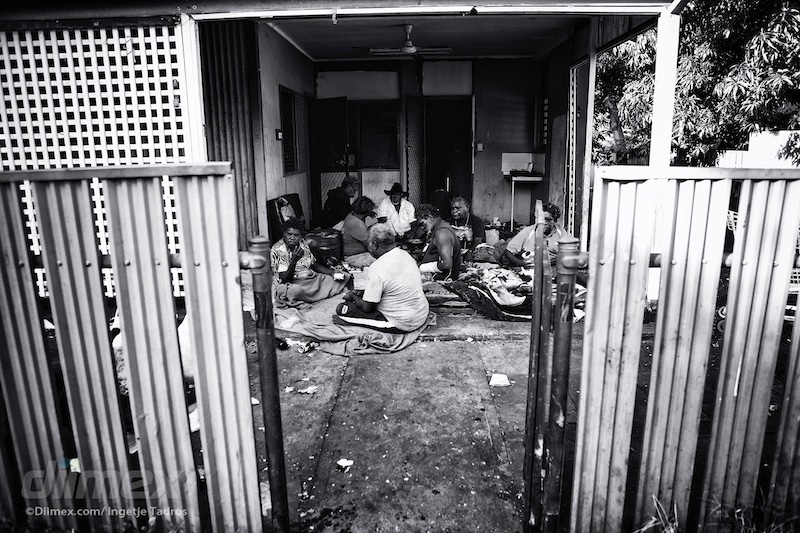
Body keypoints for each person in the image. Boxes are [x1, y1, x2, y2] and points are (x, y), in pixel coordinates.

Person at [335, 223, 429, 332]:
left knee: (343, 309)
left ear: (374, 244)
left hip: (404, 322)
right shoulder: (406, 255)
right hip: (421, 313)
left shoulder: (377, 267)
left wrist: (352, 296)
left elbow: (367, 308)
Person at [271, 217, 351, 306]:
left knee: (342, 276)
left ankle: (312, 295)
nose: (292, 238)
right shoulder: (279, 249)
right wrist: (294, 260)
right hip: (293, 282)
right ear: (284, 234)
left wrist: (332, 272)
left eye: (296, 235)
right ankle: (314, 295)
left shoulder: (303, 243)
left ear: (300, 236)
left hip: (309, 279)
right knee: (292, 291)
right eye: (289, 234)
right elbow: (284, 279)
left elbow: (314, 265)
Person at [503, 202, 572, 267]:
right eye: (541, 219)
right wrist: (520, 263)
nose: (544, 223)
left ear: (555, 220)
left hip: (554, 266)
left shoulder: (560, 231)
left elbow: (568, 254)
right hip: (532, 267)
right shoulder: (528, 231)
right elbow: (508, 251)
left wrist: (547, 263)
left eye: (549, 219)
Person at [416, 203, 461, 281]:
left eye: (422, 224)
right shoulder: (437, 229)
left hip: (442, 282)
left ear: (430, 218)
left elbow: (446, 264)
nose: (422, 228)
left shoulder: (442, 232)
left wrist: (423, 267)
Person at [341, 195, 378, 268]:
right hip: (355, 258)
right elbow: (370, 247)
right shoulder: (357, 224)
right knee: (384, 261)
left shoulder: (351, 215)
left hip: (355, 255)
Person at [448, 196, 485, 262]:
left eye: (457, 208)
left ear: (467, 208)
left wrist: (470, 251)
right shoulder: (448, 222)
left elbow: (478, 240)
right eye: (452, 208)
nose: (454, 211)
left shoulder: (476, 221)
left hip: (472, 253)